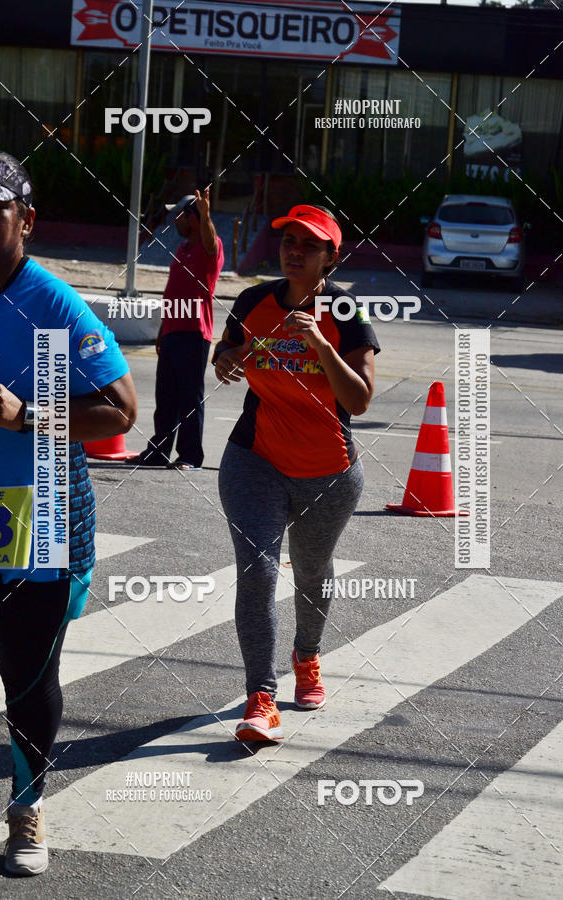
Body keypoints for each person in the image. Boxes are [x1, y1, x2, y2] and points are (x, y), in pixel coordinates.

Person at [0, 150, 137, 879]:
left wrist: (28, 413)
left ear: (25, 220)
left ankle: (26, 806)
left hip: (42, 528)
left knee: (28, 684)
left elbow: (120, 411)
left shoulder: (52, 305)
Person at [214, 204, 380, 741]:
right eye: (288, 239)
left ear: (331, 256)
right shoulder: (253, 300)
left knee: (311, 571)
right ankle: (260, 698)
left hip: (328, 471)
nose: (294, 250)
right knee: (258, 570)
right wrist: (227, 361)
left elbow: (358, 400)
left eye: (309, 244)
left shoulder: (347, 313)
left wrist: (323, 345)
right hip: (253, 459)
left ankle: (306, 657)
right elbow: (227, 352)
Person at [131, 189, 224, 470]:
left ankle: (190, 456)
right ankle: (159, 451)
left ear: (194, 218)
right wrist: (162, 330)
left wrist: (206, 217)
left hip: (194, 333)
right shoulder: (183, 249)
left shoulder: (210, 248)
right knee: (166, 397)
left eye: (180, 215)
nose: (175, 221)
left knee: (190, 398)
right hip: (172, 332)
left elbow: (211, 242)